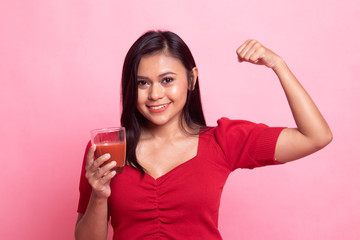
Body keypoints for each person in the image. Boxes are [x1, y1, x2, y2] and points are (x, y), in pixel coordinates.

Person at [75, 30, 332, 240]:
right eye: (143, 83)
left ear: (192, 79)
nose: (154, 94)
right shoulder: (108, 147)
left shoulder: (223, 140)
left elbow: (316, 137)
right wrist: (99, 197)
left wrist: (278, 64)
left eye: (167, 80)